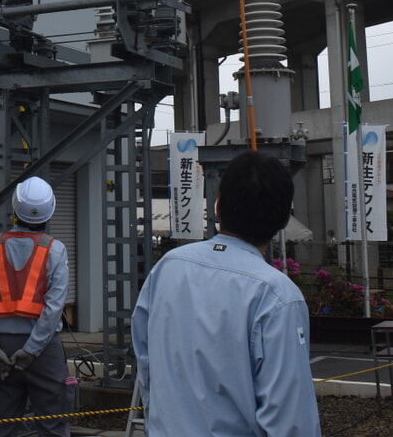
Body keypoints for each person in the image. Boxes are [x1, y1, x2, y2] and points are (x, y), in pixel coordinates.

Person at [132, 151, 319, 437]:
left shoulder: (168, 267)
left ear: (217, 206)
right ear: (285, 219)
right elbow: (291, 420)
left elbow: (145, 363)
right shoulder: (276, 295)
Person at [0, 177, 71, 437]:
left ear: (14, 209)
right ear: (51, 210)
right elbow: (53, 307)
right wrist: (32, 350)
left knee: (0, 426)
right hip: (43, 350)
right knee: (53, 426)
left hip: (1, 346)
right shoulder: (55, 250)